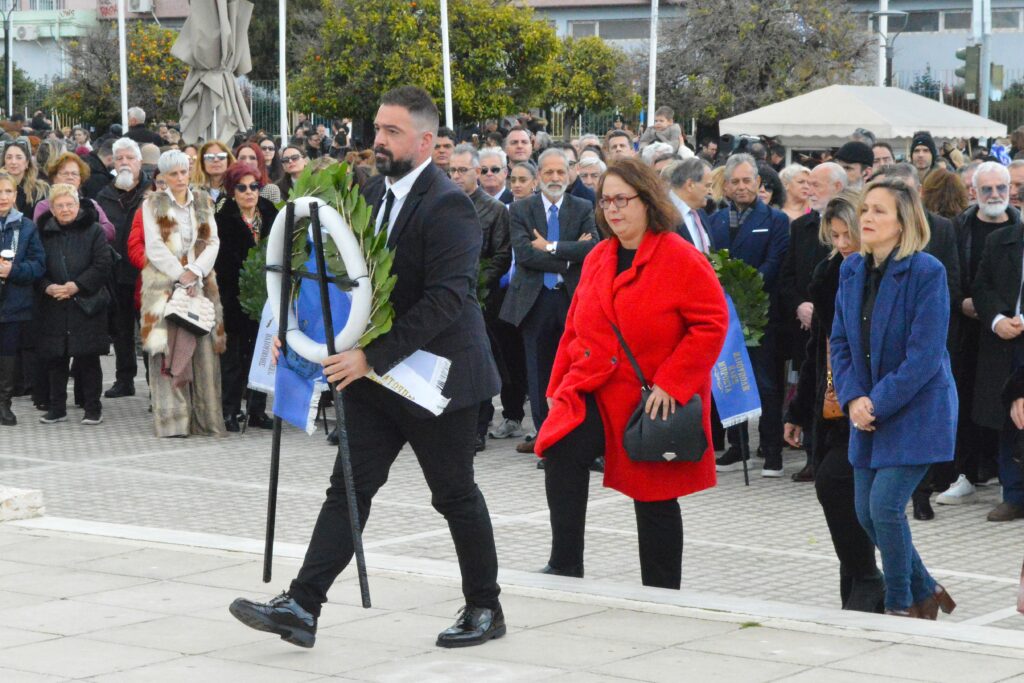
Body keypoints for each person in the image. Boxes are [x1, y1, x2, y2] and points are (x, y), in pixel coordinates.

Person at [230, 86, 506, 650]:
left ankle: (485, 606)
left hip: (436, 379)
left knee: (454, 494)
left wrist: (369, 357)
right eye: (378, 128)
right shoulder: (370, 194)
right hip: (374, 377)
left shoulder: (448, 204)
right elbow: (341, 282)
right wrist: (298, 335)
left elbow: (447, 299)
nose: (378, 140)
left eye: (392, 132)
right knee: (349, 489)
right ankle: (302, 605)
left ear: (425, 141)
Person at [537, 157, 727, 585]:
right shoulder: (598, 256)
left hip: (649, 397)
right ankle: (565, 563)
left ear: (648, 201)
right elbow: (574, 326)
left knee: (654, 495)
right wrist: (558, 384)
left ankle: (662, 589)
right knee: (561, 450)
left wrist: (673, 383)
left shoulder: (679, 256)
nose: (613, 210)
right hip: (594, 386)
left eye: (622, 200)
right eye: (605, 201)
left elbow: (712, 324)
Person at [830, 176, 956, 618]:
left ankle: (900, 605)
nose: (866, 217)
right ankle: (926, 589)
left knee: (885, 508)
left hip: (916, 409)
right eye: (865, 209)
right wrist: (853, 398)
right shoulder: (851, 270)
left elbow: (924, 357)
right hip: (865, 409)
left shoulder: (927, 272)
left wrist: (874, 402)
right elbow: (839, 342)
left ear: (903, 222)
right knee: (866, 513)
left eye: (879, 211)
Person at [784, 192, 885, 612]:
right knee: (845, 499)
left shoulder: (885, 275)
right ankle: (859, 591)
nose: (843, 244)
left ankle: (873, 580)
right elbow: (818, 350)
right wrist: (796, 411)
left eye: (849, 234)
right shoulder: (830, 275)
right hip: (831, 405)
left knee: (837, 486)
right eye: (836, 235)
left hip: (874, 405)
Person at [499, 148, 599, 457]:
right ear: (538, 176)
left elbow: (592, 249)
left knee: (575, 370)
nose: (555, 178)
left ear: (569, 174)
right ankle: (546, 440)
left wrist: (551, 246)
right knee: (539, 373)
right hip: (536, 301)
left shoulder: (583, 206)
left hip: (571, 300)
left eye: (560, 172)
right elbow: (525, 255)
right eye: (549, 172)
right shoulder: (521, 209)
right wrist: (569, 257)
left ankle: (576, 434)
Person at [708, 154, 789, 475]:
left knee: (766, 384)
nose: (741, 187)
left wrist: (746, 289)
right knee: (731, 379)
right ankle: (738, 446)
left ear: (758, 182)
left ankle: (772, 450)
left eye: (747, 180)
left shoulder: (775, 219)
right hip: (725, 315)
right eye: (735, 182)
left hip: (761, 313)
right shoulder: (715, 220)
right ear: (726, 186)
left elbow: (775, 262)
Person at [139, 150, 225, 437]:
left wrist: (196, 271)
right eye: (173, 173)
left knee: (204, 349)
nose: (179, 178)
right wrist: (180, 274)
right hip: (163, 286)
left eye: (183, 172)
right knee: (166, 350)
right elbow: (154, 246)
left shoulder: (202, 201)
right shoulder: (152, 204)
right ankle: (173, 423)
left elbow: (212, 241)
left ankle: (207, 421)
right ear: (163, 176)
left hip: (200, 283)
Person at [967, 162, 1024, 521]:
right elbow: (981, 286)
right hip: (1005, 342)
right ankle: (1014, 493)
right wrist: (997, 320)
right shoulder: (1000, 240)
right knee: (1009, 419)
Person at [448, 144, 512, 451]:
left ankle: (479, 427)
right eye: (452, 170)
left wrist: (475, 285)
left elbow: (502, 255)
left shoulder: (494, 209)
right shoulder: (443, 204)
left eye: (462, 170)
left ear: (477, 171)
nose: (456, 176)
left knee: (477, 363)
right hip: (447, 297)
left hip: (481, 298)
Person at [35, 185, 113, 426]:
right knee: (55, 359)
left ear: (78, 206)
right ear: (52, 209)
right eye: (60, 205)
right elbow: (37, 265)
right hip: (54, 303)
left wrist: (77, 285)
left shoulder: (94, 230)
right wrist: (47, 287)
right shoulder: (43, 233)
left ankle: (93, 408)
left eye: (70, 204)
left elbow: (103, 264)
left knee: (88, 360)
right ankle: (57, 408)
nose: (65, 209)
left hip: (86, 303)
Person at [214, 162, 277, 433]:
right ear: (232, 191)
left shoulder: (270, 212)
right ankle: (229, 410)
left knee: (262, 353)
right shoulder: (223, 220)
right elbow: (220, 261)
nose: (249, 192)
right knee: (234, 358)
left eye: (254, 186)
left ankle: (256, 410)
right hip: (233, 295)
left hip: (267, 295)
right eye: (242, 187)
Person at [96, 138, 150, 400]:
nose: (125, 163)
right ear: (113, 163)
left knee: (149, 329)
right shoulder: (104, 195)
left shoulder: (151, 191)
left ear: (140, 161)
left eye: (130, 158)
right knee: (120, 330)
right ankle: (124, 379)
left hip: (145, 272)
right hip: (116, 273)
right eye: (119, 159)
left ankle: (154, 384)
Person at [0, 171, 45, 426]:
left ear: (15, 194)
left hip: (14, 303)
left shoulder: (26, 226)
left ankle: (4, 403)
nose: (3, 197)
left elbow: (38, 265)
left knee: (8, 355)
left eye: (8, 191)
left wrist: (13, 271)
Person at [34, 152, 115, 243]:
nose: (70, 177)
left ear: (80, 179)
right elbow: (38, 236)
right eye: (65, 173)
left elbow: (110, 232)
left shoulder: (91, 204)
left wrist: (89, 230)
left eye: (74, 174)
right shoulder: (44, 206)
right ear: (54, 178)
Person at [666, 157, 713, 253]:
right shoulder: (662, 214)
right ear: (690, 185)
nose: (710, 191)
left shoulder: (701, 213)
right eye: (707, 186)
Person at [4, 138, 48, 215]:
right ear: (4, 162)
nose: (13, 162)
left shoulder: (40, 190)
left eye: (19, 157)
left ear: (27, 163)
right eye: (9, 157)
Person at [192, 141, 235, 206]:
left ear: (228, 160)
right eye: (210, 157)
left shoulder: (237, 189)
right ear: (202, 162)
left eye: (221, 156)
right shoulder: (192, 191)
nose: (216, 160)